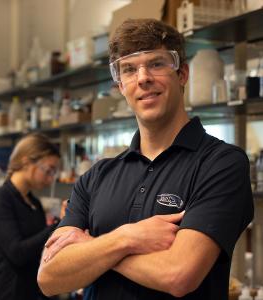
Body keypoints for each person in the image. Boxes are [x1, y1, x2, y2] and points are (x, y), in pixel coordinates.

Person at [37, 18, 254, 300]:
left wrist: (92, 249)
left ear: (182, 74)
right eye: (129, 69)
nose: (143, 78)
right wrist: (127, 238)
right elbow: (49, 276)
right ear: (121, 86)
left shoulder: (221, 164)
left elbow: (178, 275)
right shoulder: (97, 176)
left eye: (156, 64)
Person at [0, 133, 61, 300]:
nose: (51, 179)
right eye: (48, 170)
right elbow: (17, 253)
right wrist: (57, 226)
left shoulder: (34, 203)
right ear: (26, 162)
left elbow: (40, 249)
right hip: (4, 294)